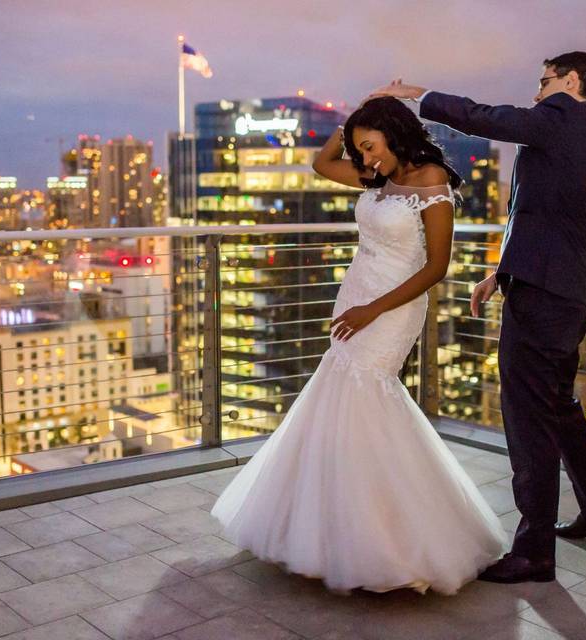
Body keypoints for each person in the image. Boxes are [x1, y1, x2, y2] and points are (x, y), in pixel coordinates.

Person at [210, 96, 507, 595]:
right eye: (360, 148)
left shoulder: (431, 179)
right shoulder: (376, 176)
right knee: (339, 397)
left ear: (395, 133)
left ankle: (394, 539)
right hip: (355, 295)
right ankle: (327, 529)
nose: (365, 158)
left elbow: (435, 268)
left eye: (370, 147)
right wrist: (352, 119)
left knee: (370, 397)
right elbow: (320, 162)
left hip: (393, 306)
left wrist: (374, 309)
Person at [371, 51, 586, 584]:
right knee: (557, 406)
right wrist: (501, 272)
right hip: (566, 293)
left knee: (528, 418)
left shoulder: (561, 120)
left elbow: (487, 117)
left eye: (545, 81)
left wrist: (417, 96)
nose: (537, 93)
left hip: (544, 300)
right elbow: (549, 221)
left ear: (572, 81)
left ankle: (534, 552)